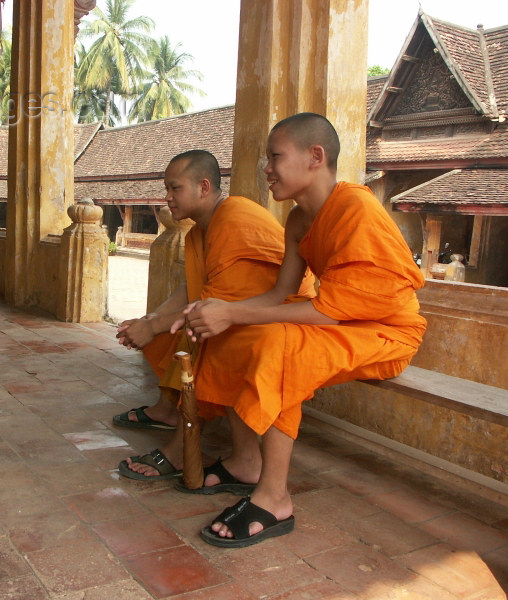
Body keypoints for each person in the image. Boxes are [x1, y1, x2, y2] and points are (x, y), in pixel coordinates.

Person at [181, 113, 427, 547]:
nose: (266, 168)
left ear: (316, 157)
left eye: (275, 156)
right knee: (232, 332)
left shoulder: (356, 208)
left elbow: (331, 310)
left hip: (386, 333)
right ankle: (244, 461)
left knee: (281, 344)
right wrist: (222, 310)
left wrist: (235, 313)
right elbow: (280, 296)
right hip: (340, 323)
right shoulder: (297, 221)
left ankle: (275, 498)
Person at [114, 149, 315, 486]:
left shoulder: (234, 218)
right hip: (247, 308)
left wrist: (153, 325)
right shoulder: (199, 231)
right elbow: (195, 287)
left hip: (286, 311)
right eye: (167, 188)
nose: (168, 198)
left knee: (205, 335)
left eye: (175, 188)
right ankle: (168, 412)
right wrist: (150, 319)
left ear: (203, 187)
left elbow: (217, 303)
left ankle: (184, 447)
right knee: (183, 329)